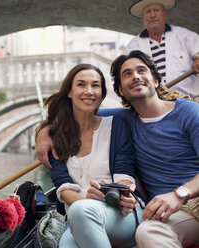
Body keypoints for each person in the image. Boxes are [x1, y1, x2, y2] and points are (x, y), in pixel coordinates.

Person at [36, 50, 199, 247]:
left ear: (155, 81)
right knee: (148, 233)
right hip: (169, 212)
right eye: (127, 74)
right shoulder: (125, 118)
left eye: (141, 70)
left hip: (191, 197)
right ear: (120, 90)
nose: (136, 76)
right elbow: (81, 112)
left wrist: (179, 194)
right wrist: (45, 130)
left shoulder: (189, 111)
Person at [35, 63, 143, 247]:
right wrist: (85, 200)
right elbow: (63, 186)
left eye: (95, 85)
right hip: (79, 216)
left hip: (120, 213)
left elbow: (124, 175)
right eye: (81, 85)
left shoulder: (116, 126)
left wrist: (116, 193)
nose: (89, 91)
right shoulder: (55, 136)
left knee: (79, 212)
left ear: (101, 93)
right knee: (66, 244)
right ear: (69, 92)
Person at [125, 0, 199, 100]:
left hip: (189, 101)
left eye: (156, 10)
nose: (152, 15)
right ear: (143, 18)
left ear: (165, 14)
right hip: (155, 106)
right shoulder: (133, 45)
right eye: (148, 12)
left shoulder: (185, 35)